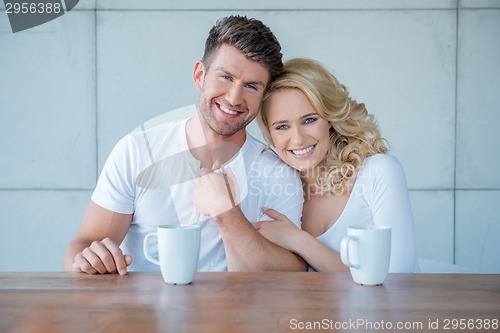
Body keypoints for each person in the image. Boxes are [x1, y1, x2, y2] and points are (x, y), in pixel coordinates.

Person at [64, 16, 307, 275]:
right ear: (200, 75)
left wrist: (228, 215)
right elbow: (82, 246)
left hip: (233, 315)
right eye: (225, 77)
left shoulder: (278, 172)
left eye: (250, 86)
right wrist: (86, 260)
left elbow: (292, 276)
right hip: (142, 315)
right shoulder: (137, 150)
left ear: (263, 96)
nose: (234, 98)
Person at [254, 58, 419, 273]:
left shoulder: (378, 172)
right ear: (270, 133)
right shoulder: (273, 197)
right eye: (282, 126)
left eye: (309, 120)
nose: (297, 139)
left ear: (329, 117)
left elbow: (397, 278)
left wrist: (299, 241)